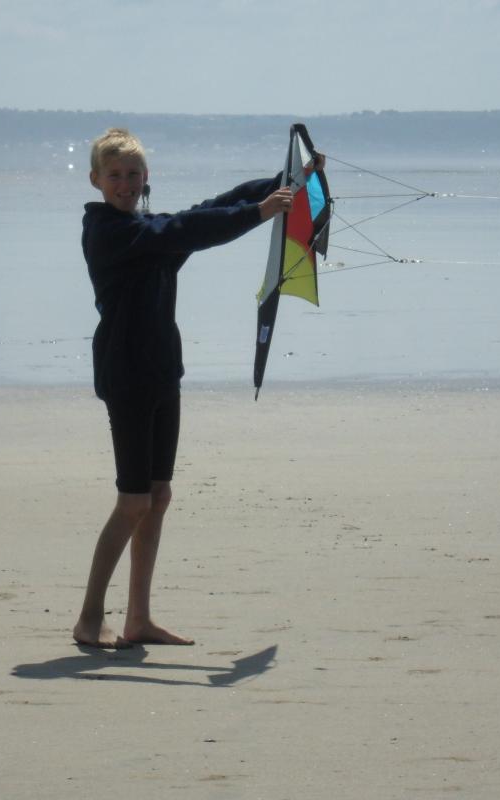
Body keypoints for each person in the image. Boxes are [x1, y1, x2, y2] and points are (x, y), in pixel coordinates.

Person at [72, 128, 298, 649]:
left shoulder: (146, 224)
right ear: (96, 180)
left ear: (145, 178)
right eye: (115, 176)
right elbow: (189, 229)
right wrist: (259, 213)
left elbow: (207, 209)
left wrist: (285, 182)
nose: (125, 184)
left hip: (161, 373)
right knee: (132, 501)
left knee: (157, 495)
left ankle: (138, 619)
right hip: (126, 377)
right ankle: (88, 617)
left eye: (133, 175)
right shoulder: (108, 233)